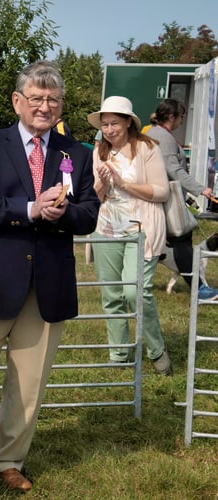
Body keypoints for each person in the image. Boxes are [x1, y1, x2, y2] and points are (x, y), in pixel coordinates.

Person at [0, 61, 100, 493]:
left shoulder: (76, 153)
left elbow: (88, 216)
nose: (45, 106)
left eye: (53, 99)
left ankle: (8, 458)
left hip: (47, 286)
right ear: (17, 101)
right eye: (37, 98)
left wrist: (61, 213)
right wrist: (31, 209)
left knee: (28, 383)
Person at [86, 96, 173, 374]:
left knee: (135, 291)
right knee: (111, 294)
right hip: (107, 228)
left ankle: (157, 349)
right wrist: (102, 182)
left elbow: (162, 191)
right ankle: (119, 354)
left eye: (114, 123)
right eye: (105, 124)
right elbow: (95, 196)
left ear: (128, 122)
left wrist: (124, 183)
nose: (109, 130)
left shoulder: (147, 148)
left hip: (141, 228)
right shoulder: (99, 150)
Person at [145, 98, 218, 298]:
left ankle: (198, 286)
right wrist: (200, 189)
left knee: (176, 244)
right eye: (181, 116)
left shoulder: (154, 133)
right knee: (182, 242)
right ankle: (199, 289)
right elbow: (173, 170)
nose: (182, 120)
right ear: (171, 117)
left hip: (163, 197)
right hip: (166, 199)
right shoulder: (164, 137)